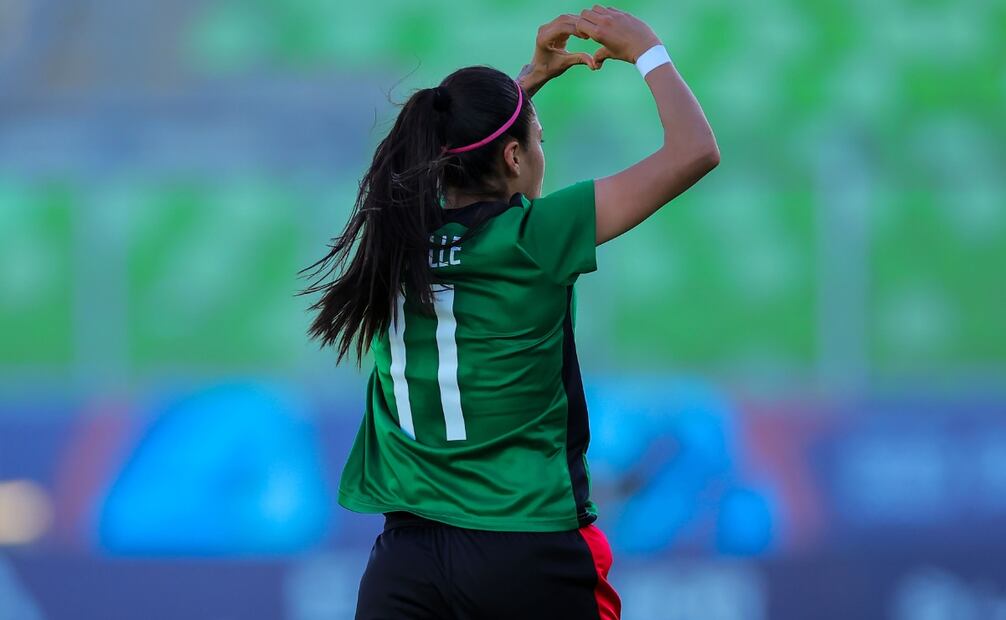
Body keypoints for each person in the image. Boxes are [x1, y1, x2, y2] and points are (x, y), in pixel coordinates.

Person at [299, 5, 719, 619]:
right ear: (515, 158)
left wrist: (522, 92)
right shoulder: (535, 236)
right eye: (539, 142)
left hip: (406, 565)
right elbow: (695, 151)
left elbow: (462, 162)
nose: (543, 154)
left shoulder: (392, 240)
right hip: (526, 550)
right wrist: (648, 50)